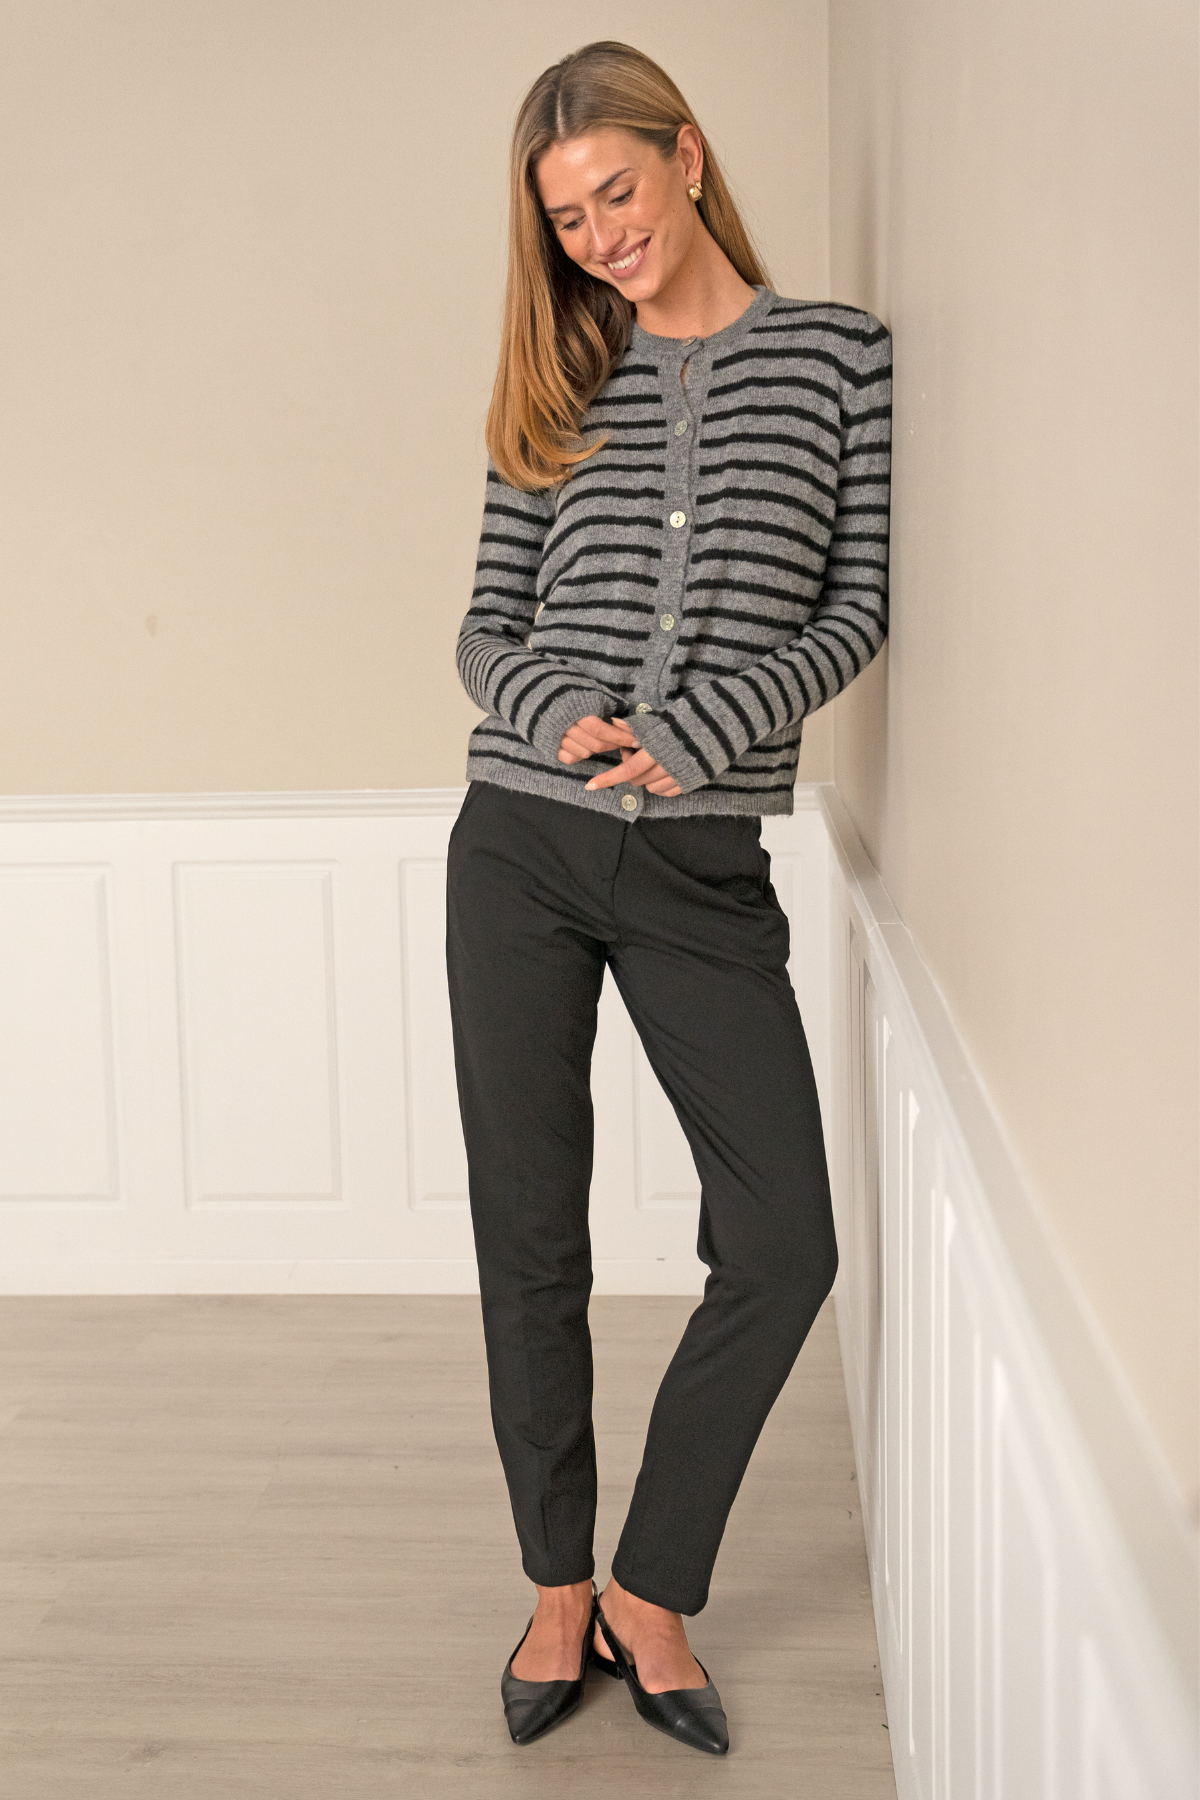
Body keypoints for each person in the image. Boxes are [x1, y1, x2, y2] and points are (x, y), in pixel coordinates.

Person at [445, 39, 891, 1757]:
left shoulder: (838, 358)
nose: (600, 237)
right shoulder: (556, 380)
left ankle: (653, 1583)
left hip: (704, 864)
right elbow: (485, 626)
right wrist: (557, 703)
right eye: (568, 219)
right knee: (530, 1232)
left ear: (688, 159)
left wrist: (702, 729)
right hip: (522, 845)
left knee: (783, 1242)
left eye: (617, 193)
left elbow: (854, 606)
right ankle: (558, 1587)